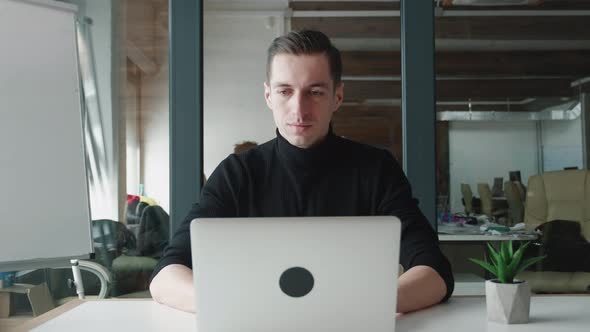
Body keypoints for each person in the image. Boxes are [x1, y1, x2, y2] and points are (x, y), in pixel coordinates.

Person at [149, 30, 454, 314]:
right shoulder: (237, 173)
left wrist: (365, 305)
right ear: (268, 96)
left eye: (316, 92)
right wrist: (232, 303)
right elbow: (166, 274)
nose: (299, 109)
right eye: (285, 91)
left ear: (338, 96)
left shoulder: (376, 170)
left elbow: (434, 271)